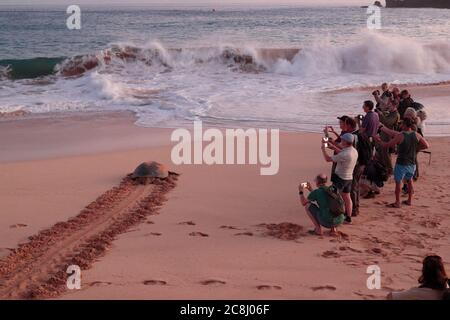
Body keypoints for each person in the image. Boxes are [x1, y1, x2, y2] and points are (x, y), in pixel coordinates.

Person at [375, 118, 429, 208]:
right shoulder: (416, 135)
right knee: (410, 181)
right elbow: (426, 145)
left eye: (401, 124)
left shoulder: (400, 135)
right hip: (412, 163)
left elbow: (387, 145)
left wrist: (378, 140)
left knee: (398, 183)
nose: (400, 125)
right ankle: (409, 200)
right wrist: (417, 149)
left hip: (401, 163)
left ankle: (397, 202)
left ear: (404, 124)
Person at [321, 133, 358, 223]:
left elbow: (328, 159)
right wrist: (332, 147)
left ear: (345, 142)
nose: (341, 141)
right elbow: (342, 152)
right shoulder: (353, 151)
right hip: (349, 178)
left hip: (340, 179)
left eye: (342, 140)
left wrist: (323, 150)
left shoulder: (345, 154)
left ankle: (334, 217)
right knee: (347, 197)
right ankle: (348, 217)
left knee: (333, 198)